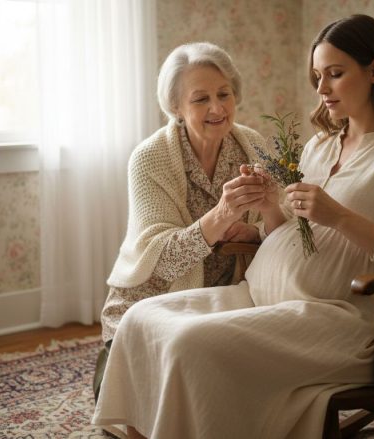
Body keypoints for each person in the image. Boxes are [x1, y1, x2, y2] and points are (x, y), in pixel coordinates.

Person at [93, 14, 374, 439]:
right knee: (142, 319)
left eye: (335, 75)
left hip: (345, 322)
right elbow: (293, 235)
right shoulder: (321, 145)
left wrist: (339, 217)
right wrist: (270, 210)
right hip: (268, 297)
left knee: (190, 345)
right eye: (317, 76)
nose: (320, 89)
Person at [93, 42, 273, 401]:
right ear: (175, 106)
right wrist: (221, 215)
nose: (217, 108)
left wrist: (254, 231)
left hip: (226, 299)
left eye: (224, 94)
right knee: (133, 399)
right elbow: (163, 260)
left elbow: (280, 226)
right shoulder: (149, 159)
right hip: (149, 301)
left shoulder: (253, 146)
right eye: (200, 99)